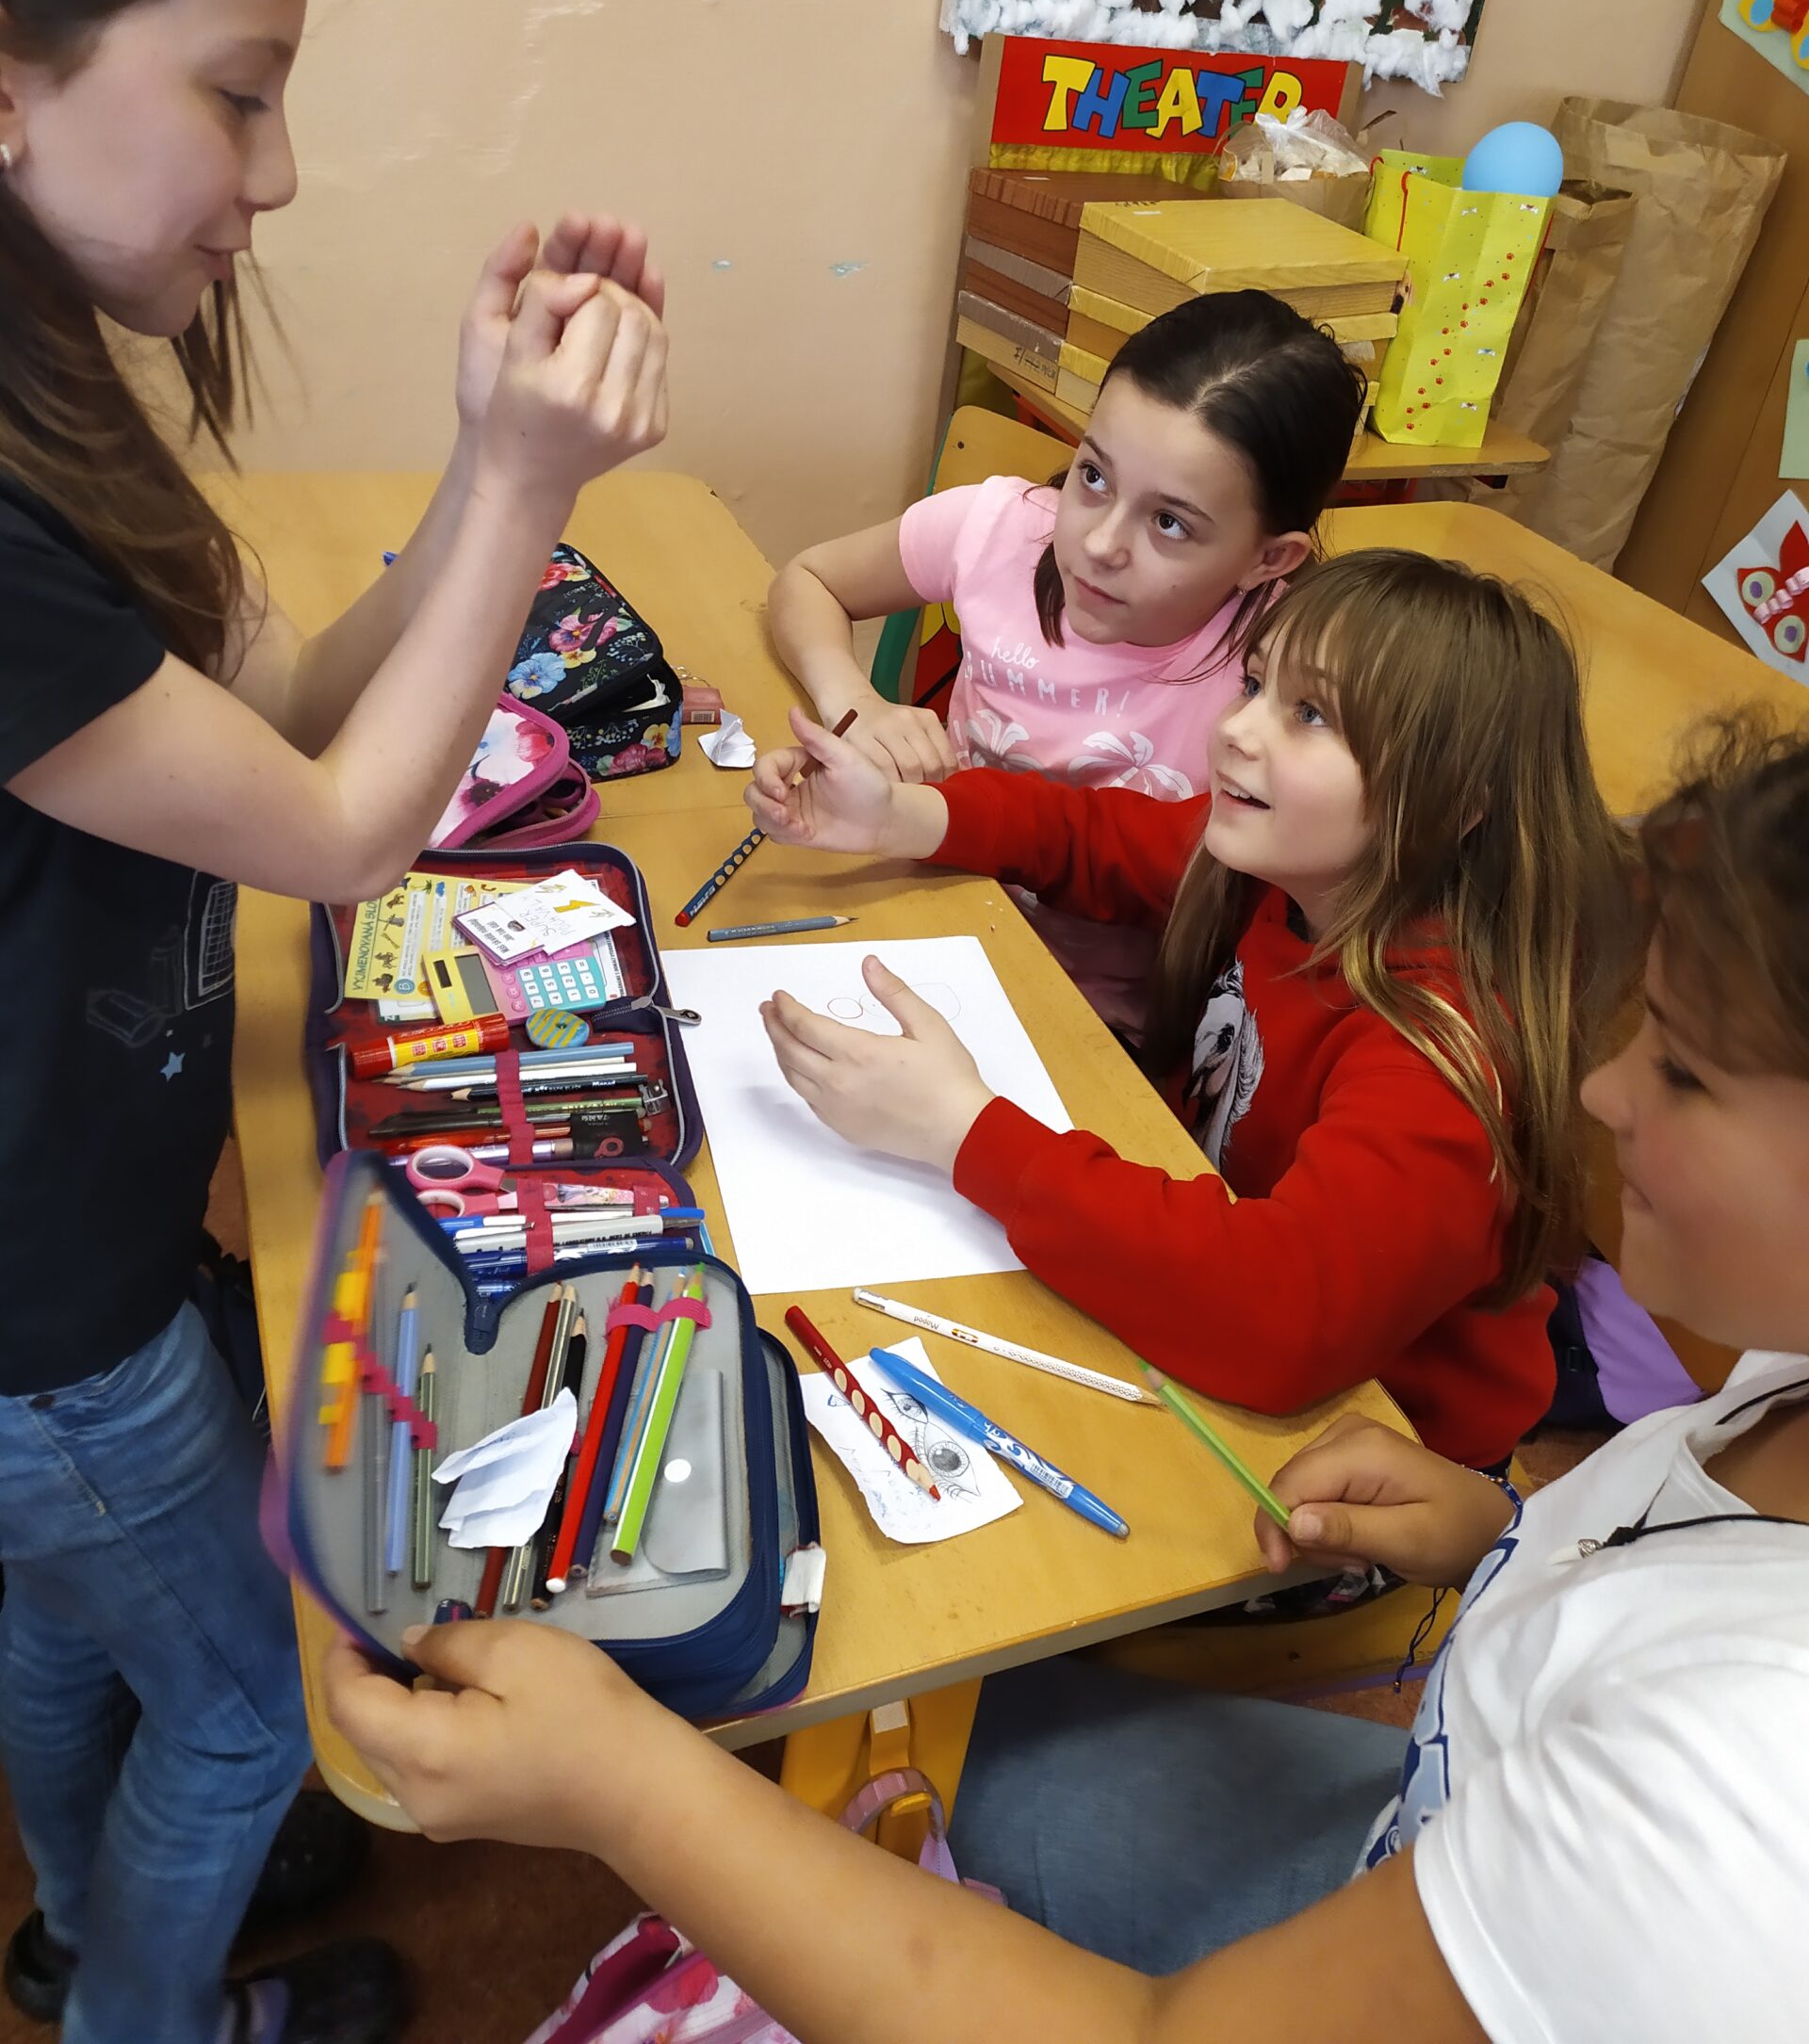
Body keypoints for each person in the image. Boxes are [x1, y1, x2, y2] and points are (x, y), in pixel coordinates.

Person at [326, 711, 1809, 2044]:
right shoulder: (1775, 1387)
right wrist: (1498, 1529)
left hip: (1440, 1896)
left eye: (1680, 1068)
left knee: (843, 1732)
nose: (1601, 1092)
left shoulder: (1740, 1780)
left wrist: (623, 1786)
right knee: (893, 1734)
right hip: (1432, 1829)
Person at [0, 0, 667, 2043]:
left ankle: (73, 1921)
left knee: (70, 1620)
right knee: (249, 1700)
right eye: (239, 90)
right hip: (45, 1323)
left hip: (66, 1269)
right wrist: (529, 490)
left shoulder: (43, 402)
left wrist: (478, 471)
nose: (274, 176)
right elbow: (338, 834)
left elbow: (273, 722)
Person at [747, 550, 1629, 1470]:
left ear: (1457, 806)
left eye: (1312, 715)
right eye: (1255, 684)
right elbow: (1087, 834)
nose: (1237, 729)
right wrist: (898, 816)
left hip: (1371, 1453)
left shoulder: (1443, 1054)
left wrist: (961, 1130)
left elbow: (1280, 1315)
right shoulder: (1281, 864)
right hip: (1204, 1303)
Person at [767, 291, 1364, 1034]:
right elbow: (808, 581)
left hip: (1105, 1029)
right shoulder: (1000, 531)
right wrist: (854, 703)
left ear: (1268, 560)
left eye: (1169, 522)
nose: (1100, 543)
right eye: (1094, 476)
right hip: (930, 922)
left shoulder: (1283, 681)